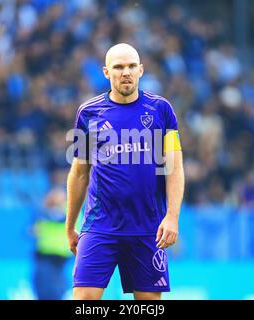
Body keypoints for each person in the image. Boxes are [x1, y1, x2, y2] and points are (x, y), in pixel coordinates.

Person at [66, 43, 185, 300]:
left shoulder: (161, 110)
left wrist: (173, 217)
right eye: (119, 67)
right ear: (107, 72)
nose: (126, 72)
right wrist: (69, 225)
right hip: (100, 226)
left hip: (148, 227)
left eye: (131, 66)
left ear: (141, 70)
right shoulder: (88, 113)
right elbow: (79, 173)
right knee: (84, 300)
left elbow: (174, 167)